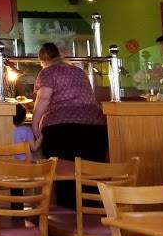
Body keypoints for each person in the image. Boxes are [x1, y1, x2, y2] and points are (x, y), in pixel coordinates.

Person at [31, 42, 107, 207]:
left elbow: (43, 98)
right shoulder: (78, 71)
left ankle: (69, 217)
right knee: (91, 176)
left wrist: (35, 123)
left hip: (63, 129)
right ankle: (94, 217)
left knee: (65, 178)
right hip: (95, 127)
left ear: (43, 61)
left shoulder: (47, 72)